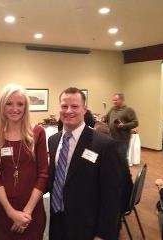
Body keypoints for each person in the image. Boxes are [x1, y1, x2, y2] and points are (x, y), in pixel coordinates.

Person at [48, 87, 122, 240]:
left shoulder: (104, 145)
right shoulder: (53, 140)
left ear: (84, 109)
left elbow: (112, 195)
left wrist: (103, 233)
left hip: (86, 226)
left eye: (75, 106)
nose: (68, 111)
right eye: (64, 106)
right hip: (56, 220)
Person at [0, 84, 48, 239]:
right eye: (9, 104)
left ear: (26, 106)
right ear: (2, 106)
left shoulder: (37, 133)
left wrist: (26, 212)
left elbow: (43, 174)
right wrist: (11, 212)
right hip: (4, 211)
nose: (14, 109)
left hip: (31, 212)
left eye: (20, 104)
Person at [103, 93, 138, 165]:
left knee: (121, 160)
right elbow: (106, 118)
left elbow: (135, 123)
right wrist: (103, 119)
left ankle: (122, 175)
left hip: (122, 140)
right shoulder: (112, 109)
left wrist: (124, 125)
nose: (114, 102)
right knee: (112, 159)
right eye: (113, 100)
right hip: (111, 139)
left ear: (122, 100)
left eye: (116, 100)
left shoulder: (128, 110)